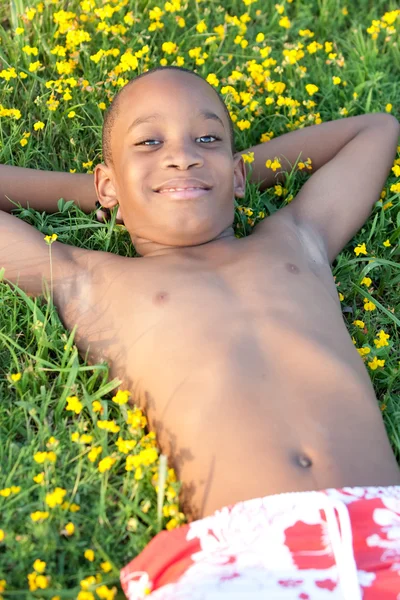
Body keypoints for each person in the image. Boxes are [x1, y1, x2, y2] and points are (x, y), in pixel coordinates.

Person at [1, 66, 400, 599]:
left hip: (388, 525)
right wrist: (95, 192)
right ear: (108, 182)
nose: (182, 155)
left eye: (206, 139)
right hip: (247, 557)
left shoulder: (297, 238)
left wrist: (226, 171)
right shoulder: (90, 281)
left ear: (237, 173)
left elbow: (376, 128)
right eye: (149, 142)